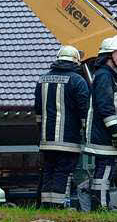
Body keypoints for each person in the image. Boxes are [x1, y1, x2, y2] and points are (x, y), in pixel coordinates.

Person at [35, 45, 90, 209]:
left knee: (48, 171)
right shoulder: (78, 81)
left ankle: (46, 206)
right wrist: (85, 133)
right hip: (68, 140)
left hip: (46, 140)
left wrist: (41, 133)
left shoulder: (42, 80)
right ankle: (57, 207)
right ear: (76, 61)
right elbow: (84, 111)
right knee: (62, 172)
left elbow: (38, 111)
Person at [86, 35, 117, 210]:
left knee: (103, 169)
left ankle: (99, 205)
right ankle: (101, 207)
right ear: (108, 55)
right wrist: (116, 131)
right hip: (103, 134)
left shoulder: (106, 75)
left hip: (102, 132)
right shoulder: (104, 75)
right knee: (104, 169)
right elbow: (105, 106)